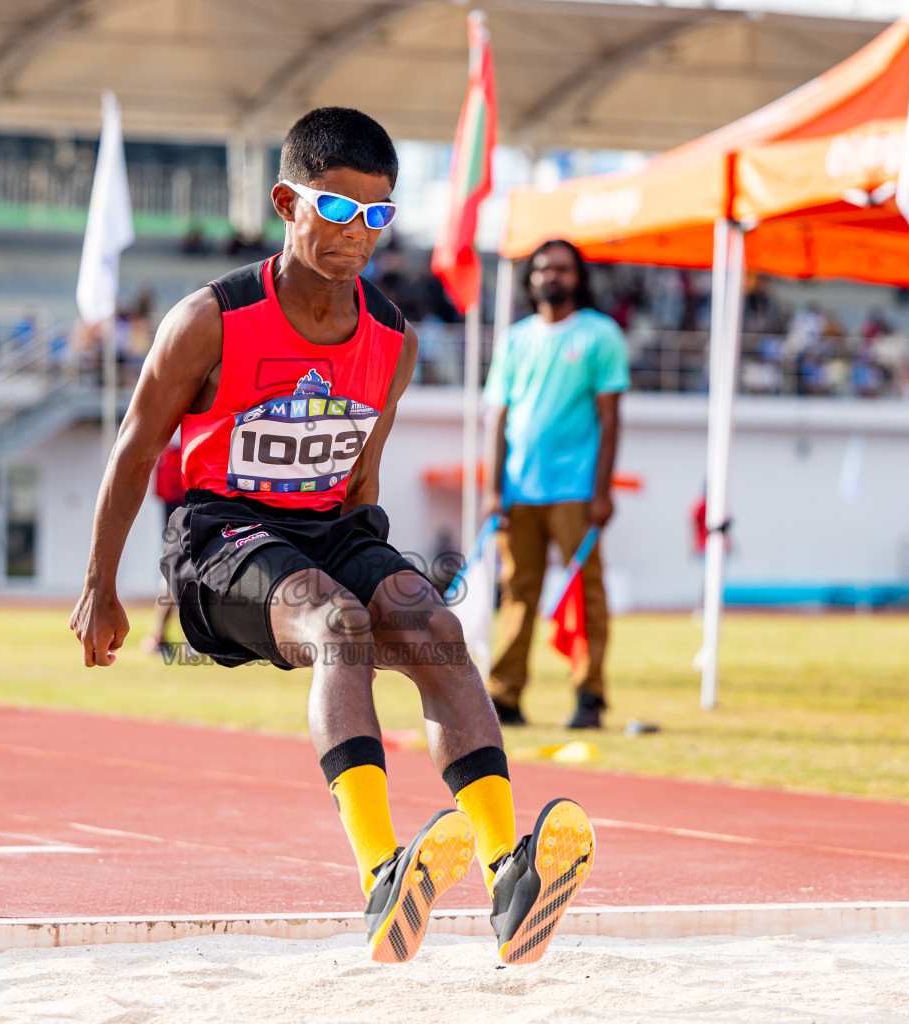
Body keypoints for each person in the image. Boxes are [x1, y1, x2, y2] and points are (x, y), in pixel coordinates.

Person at [69, 107, 594, 966]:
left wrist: (390, 584)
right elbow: (134, 450)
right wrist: (100, 584)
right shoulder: (209, 319)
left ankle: (511, 874)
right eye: (338, 210)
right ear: (288, 201)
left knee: (432, 625)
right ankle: (381, 876)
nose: (358, 234)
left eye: (378, 215)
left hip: (329, 527)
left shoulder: (393, 339)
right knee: (339, 626)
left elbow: (362, 478)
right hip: (220, 537)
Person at [482, 239, 629, 731]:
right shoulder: (516, 339)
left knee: (584, 593)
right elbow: (497, 418)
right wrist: (492, 490)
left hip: (576, 491)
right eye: (543, 268)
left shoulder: (600, 335)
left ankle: (589, 695)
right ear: (531, 279)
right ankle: (505, 696)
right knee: (517, 592)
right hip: (518, 491)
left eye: (563, 269)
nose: (552, 276)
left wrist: (603, 492)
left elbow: (610, 420)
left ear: (578, 277)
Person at [141, 439, 187, 655]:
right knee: (174, 580)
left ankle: (159, 637)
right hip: (180, 525)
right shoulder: (173, 453)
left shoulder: (170, 451)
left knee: (175, 580)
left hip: (179, 523)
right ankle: (157, 638)